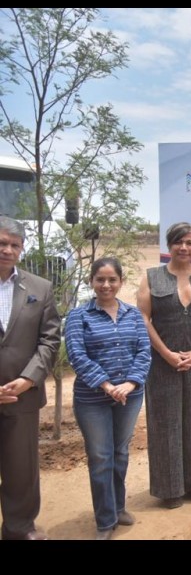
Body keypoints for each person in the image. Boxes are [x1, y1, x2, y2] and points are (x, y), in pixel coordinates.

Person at [65, 257, 151, 540]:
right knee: (101, 456)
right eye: (100, 279)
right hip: (92, 399)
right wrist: (107, 385)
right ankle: (105, 520)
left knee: (120, 452)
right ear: (91, 281)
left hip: (130, 396)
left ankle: (118, 507)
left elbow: (144, 352)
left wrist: (129, 383)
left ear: (120, 282)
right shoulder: (79, 316)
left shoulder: (133, 315)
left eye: (112, 279)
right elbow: (77, 355)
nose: (106, 285)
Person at [136, 222, 191, 508]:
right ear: (169, 245)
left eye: (189, 242)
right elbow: (144, 318)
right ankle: (169, 487)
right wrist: (166, 353)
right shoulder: (152, 277)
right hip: (162, 364)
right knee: (165, 421)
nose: (184, 247)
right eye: (178, 242)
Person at [0, 216, 60, 540]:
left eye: (14, 245)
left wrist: (28, 379)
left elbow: (49, 340)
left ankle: (19, 528)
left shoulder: (40, 288)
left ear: (22, 249)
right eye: (1, 243)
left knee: (21, 469)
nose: (7, 250)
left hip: (22, 394)